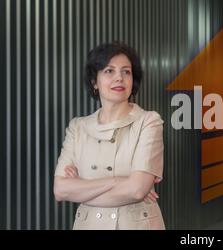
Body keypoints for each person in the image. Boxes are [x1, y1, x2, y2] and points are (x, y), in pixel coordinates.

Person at [53, 42, 165, 230]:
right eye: (109, 71)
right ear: (94, 81)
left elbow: (137, 190)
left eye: (126, 71)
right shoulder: (78, 127)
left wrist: (81, 186)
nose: (119, 78)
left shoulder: (148, 121)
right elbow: (60, 190)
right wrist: (119, 181)